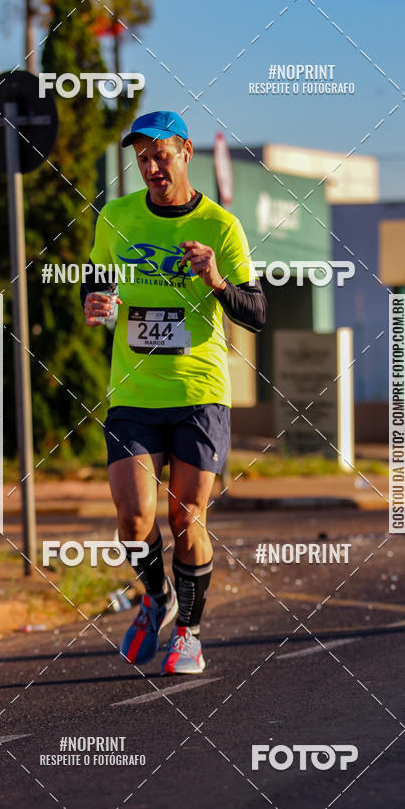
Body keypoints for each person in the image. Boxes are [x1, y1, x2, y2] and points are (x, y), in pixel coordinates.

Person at [81, 111, 266, 674]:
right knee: (134, 520)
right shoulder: (116, 218)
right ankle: (155, 596)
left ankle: (188, 632)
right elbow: (98, 278)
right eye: (142, 158)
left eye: (161, 154)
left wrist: (215, 280)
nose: (151, 166)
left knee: (187, 520)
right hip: (134, 390)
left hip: (198, 391)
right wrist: (96, 302)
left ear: (186, 152)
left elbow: (256, 314)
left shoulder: (221, 227)